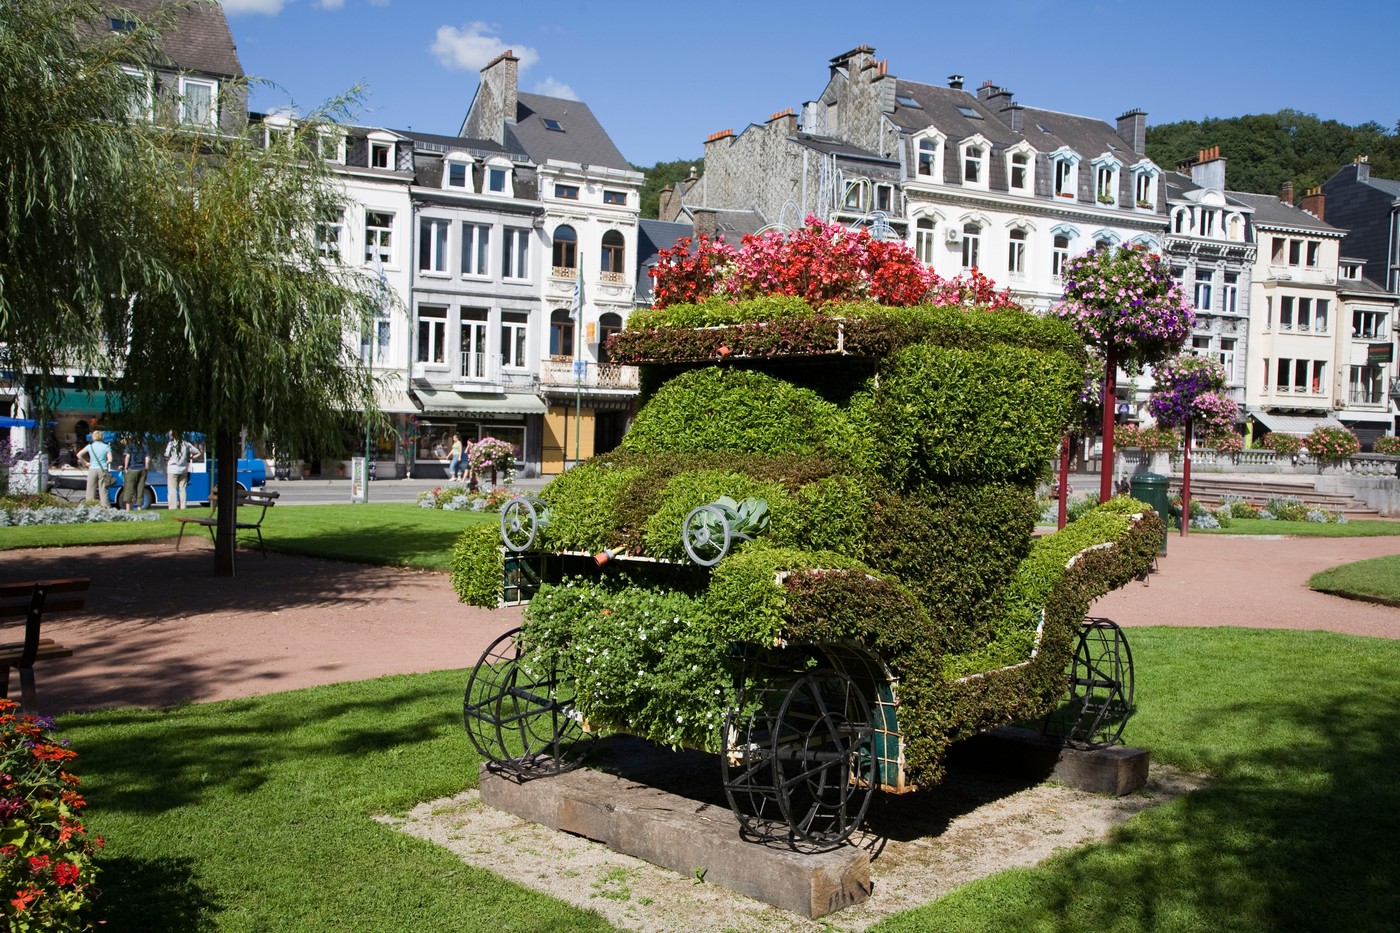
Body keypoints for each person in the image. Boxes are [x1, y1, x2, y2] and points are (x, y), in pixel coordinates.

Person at [164, 430, 201, 510]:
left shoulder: (171, 444)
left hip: (172, 469)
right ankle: (183, 506)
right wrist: (189, 458)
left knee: (172, 489)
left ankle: (173, 507)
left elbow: (166, 456)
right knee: (183, 488)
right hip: (183, 469)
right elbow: (198, 452)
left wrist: (169, 460)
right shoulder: (186, 444)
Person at [77, 430, 114, 506]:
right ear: (102, 437)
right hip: (103, 469)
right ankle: (106, 508)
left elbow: (79, 455)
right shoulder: (106, 446)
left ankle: (90, 506)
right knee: (103, 490)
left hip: (92, 468)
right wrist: (105, 463)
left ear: (93, 437)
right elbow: (110, 460)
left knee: (90, 490)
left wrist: (85, 463)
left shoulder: (90, 446)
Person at [120, 433, 149, 510]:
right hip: (142, 469)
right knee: (140, 488)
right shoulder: (144, 445)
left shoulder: (130, 445)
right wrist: (146, 468)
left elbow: (128, 456)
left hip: (132, 468)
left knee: (129, 489)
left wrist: (125, 467)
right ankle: (139, 508)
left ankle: (128, 509)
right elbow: (147, 458)